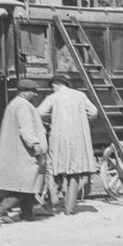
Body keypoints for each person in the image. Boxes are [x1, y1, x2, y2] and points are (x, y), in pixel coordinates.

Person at [36, 74, 98, 216]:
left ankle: (52, 202)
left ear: (55, 85)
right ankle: (70, 208)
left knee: (56, 168)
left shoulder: (53, 97)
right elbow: (94, 112)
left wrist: (50, 120)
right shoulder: (80, 96)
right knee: (74, 172)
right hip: (78, 138)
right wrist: (82, 119)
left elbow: (39, 112)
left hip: (59, 138)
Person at [0, 79, 48, 225]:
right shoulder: (23, 106)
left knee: (30, 184)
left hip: (16, 152)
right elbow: (26, 129)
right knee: (24, 185)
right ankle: (2, 210)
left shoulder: (14, 104)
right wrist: (35, 144)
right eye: (33, 92)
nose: (35, 95)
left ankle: (28, 214)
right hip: (24, 152)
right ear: (25, 92)